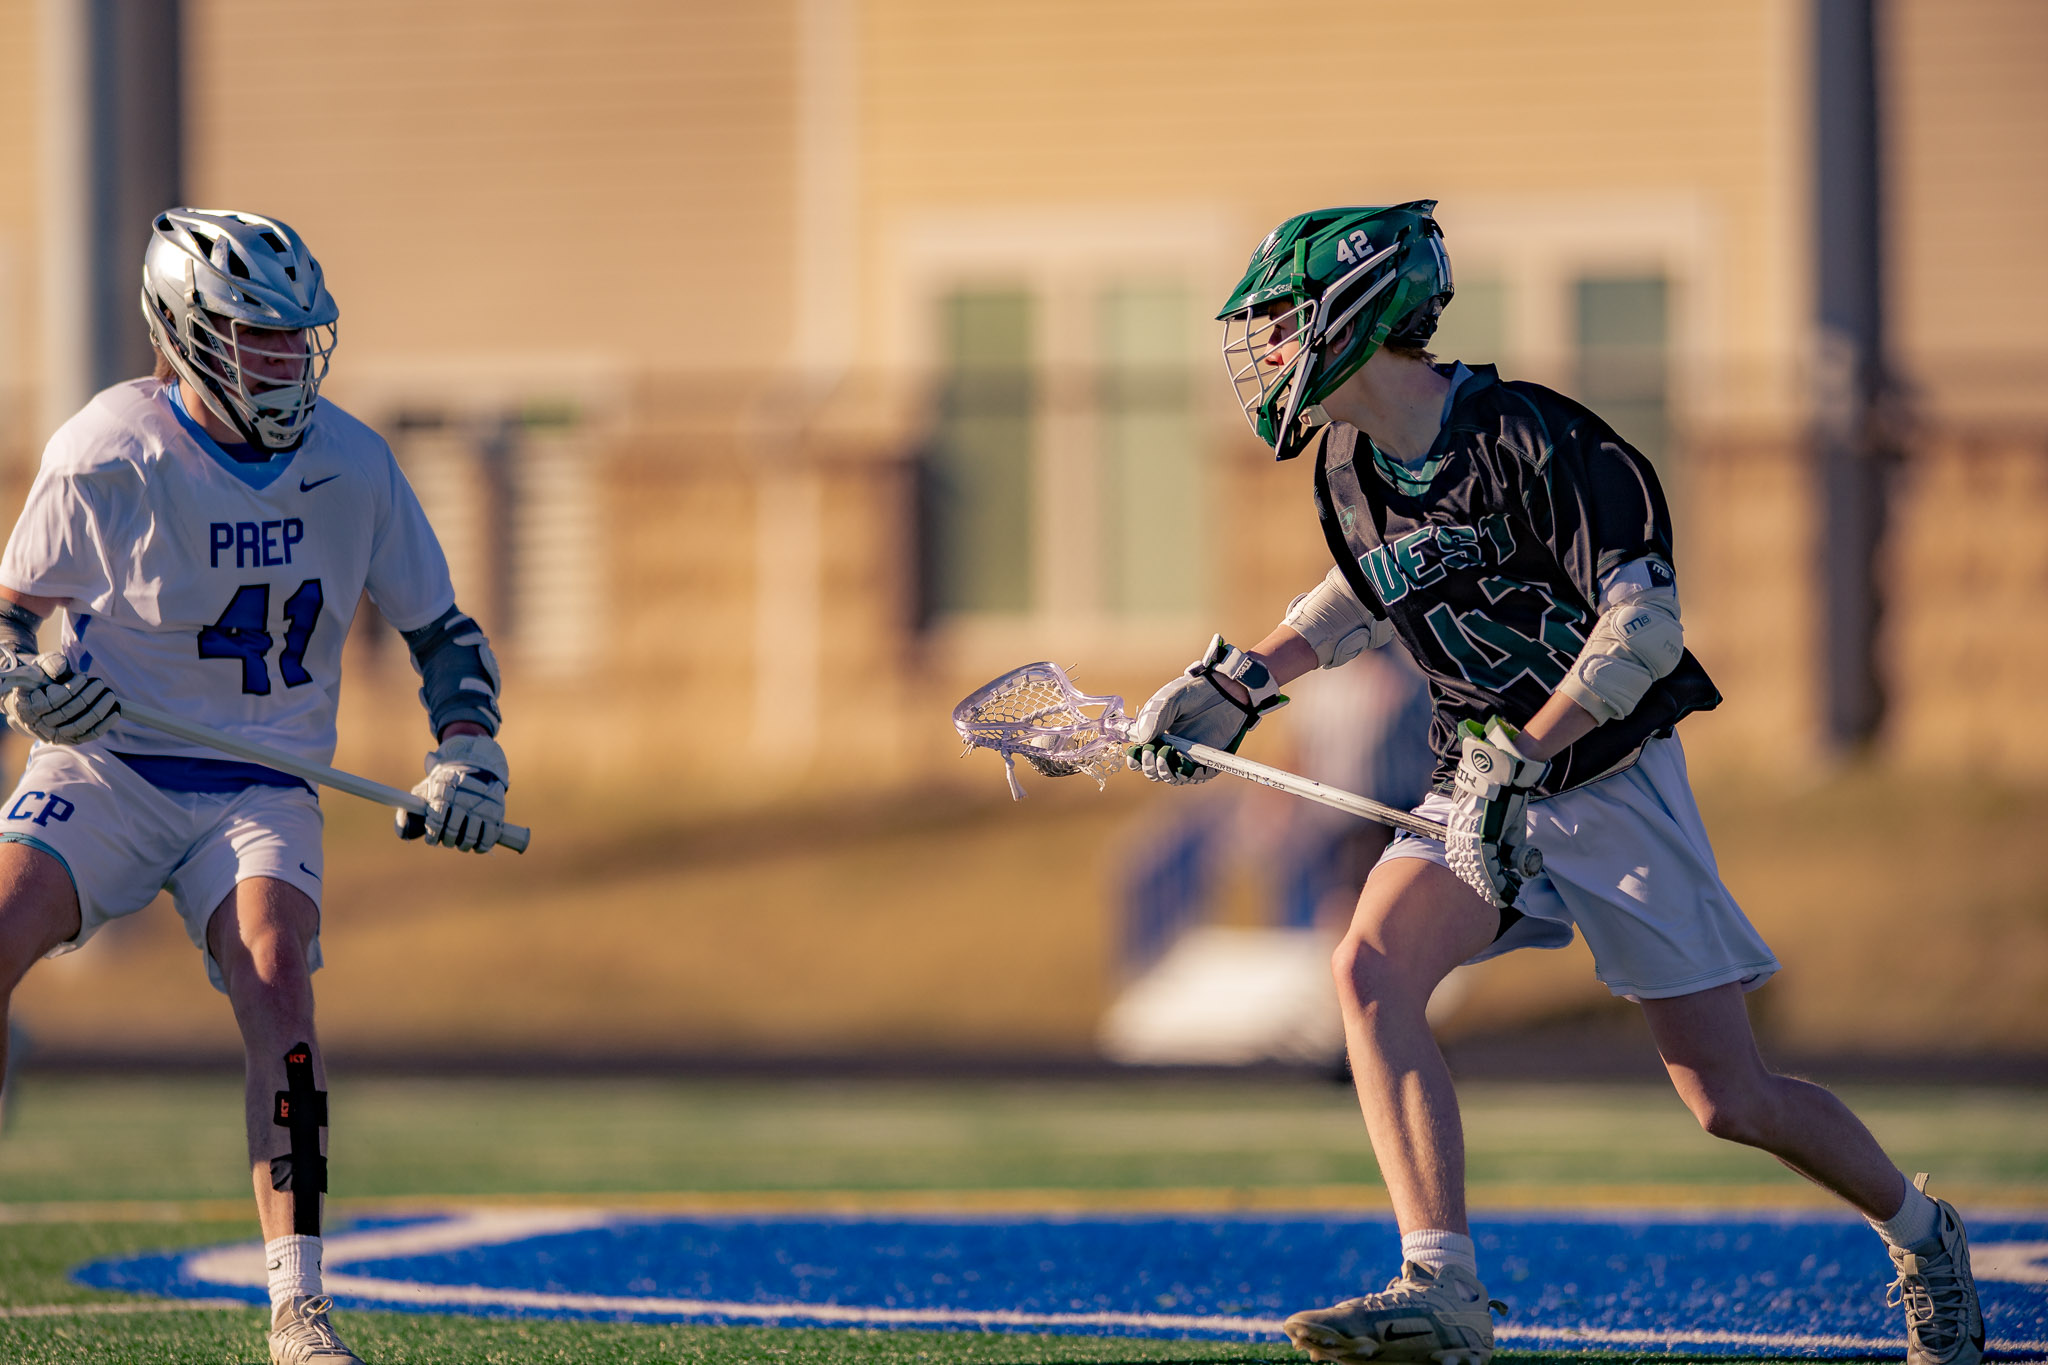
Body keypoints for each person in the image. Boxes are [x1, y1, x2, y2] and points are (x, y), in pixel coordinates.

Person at [1126, 202, 1981, 1365]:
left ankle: (1923, 1235)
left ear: (1356, 313)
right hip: (1470, 779)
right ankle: (1441, 1283)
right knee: (1366, 968)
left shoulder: (1534, 437)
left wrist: (1525, 752)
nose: (1267, 350)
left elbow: (1643, 632)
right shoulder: (1347, 468)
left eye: (1282, 321)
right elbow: (1362, 596)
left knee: (1728, 1099)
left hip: (1604, 778)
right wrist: (1239, 679)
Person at [0, 208, 512, 1365]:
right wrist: (26, 690)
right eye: (256, 334)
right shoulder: (108, 450)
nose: (284, 358)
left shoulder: (353, 462)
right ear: (184, 332)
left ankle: (299, 1307)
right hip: (108, 761)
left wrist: (468, 750)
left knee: (277, 977)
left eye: (294, 335)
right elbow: (12, 617)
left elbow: (443, 633)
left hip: (262, 779)